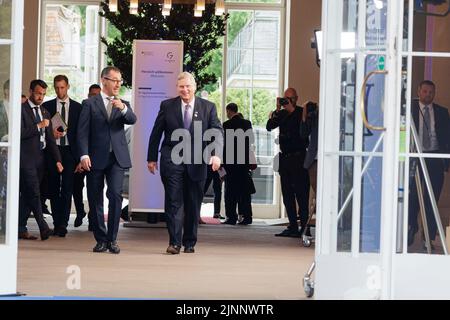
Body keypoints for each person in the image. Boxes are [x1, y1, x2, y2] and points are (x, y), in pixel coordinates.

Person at [147, 72, 223, 255]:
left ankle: (189, 242)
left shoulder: (208, 107)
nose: (185, 90)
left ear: (194, 87)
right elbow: (156, 132)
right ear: (177, 88)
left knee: (193, 203)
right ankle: (174, 242)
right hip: (171, 160)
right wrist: (151, 158)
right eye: (181, 86)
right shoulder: (167, 106)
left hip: (197, 162)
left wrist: (216, 154)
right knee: (174, 201)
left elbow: (217, 132)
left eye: (188, 86)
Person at [77, 67, 137, 254]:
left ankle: (112, 239)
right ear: (104, 81)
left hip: (117, 159)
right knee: (95, 198)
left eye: (120, 80)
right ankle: (100, 239)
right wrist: (84, 155)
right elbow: (82, 132)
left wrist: (124, 108)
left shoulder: (123, 103)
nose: (118, 84)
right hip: (95, 158)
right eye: (114, 80)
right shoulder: (90, 104)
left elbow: (132, 119)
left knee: (115, 195)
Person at [18, 79, 63, 240]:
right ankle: (43, 227)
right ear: (31, 91)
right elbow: (19, 133)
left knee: (28, 195)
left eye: (43, 94)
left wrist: (58, 160)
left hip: (40, 160)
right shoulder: (21, 110)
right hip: (25, 159)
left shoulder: (44, 112)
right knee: (34, 193)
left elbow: (50, 139)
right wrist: (38, 126)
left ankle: (20, 228)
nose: (41, 97)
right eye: (38, 93)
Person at [408, 80, 450, 249]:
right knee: (412, 197)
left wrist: (446, 163)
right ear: (419, 91)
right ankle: (411, 229)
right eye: (424, 91)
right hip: (414, 156)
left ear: (434, 93)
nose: (427, 95)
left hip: (434, 158)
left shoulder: (442, 112)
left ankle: (429, 236)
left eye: (430, 92)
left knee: (432, 198)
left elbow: (447, 137)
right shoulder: (409, 108)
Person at [266, 88, 310, 238]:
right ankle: (292, 226)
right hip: (285, 159)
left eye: (289, 98)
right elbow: (269, 126)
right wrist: (277, 110)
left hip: (299, 158)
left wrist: (291, 108)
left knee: (301, 194)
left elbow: (304, 132)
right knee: (287, 194)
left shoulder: (301, 112)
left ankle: (304, 227)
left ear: (296, 99)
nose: (286, 101)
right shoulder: (281, 114)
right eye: (284, 98)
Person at [42, 75, 82, 237]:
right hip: (53, 151)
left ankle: (63, 224)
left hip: (70, 152)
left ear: (68, 87)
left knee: (67, 187)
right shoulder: (47, 106)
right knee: (53, 187)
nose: (60, 91)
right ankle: (56, 221)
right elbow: (41, 130)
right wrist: (50, 133)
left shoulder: (78, 108)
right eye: (57, 87)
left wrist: (80, 157)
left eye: (62, 87)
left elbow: (81, 134)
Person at [73, 84, 102, 230]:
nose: (95, 97)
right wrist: (80, 157)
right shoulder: (84, 107)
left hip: (96, 158)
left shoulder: (102, 111)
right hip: (82, 155)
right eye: (92, 95)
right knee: (77, 186)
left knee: (95, 189)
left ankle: (93, 219)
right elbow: (80, 134)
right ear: (88, 95)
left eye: (97, 94)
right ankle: (80, 211)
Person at [222, 103, 255, 225]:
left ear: (229, 111)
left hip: (231, 162)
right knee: (244, 191)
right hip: (243, 161)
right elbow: (250, 140)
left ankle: (231, 217)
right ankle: (247, 216)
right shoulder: (247, 124)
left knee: (230, 191)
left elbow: (224, 144)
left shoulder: (226, 125)